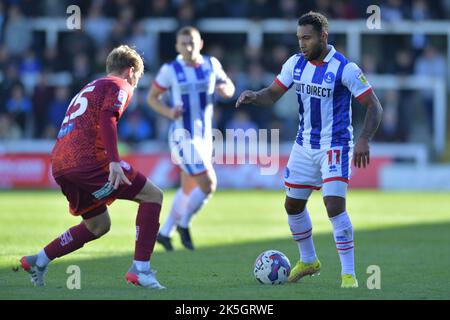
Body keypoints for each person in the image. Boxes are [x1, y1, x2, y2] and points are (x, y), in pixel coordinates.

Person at [236, 12, 383, 288]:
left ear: (323, 37)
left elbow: (374, 106)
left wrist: (364, 139)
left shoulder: (345, 68)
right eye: (299, 38)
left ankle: (348, 275)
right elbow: (272, 93)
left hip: (335, 146)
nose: (302, 44)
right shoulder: (295, 64)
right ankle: (309, 260)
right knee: (292, 205)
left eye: (307, 38)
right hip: (304, 145)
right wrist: (255, 96)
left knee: (334, 205)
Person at [20, 45, 165, 289]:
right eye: (137, 78)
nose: (136, 83)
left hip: (60, 163)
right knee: (153, 195)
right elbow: (108, 117)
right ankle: (141, 269)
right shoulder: (120, 85)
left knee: (98, 225)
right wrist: (114, 161)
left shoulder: (89, 88)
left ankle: (39, 260)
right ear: (130, 72)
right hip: (88, 160)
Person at [147, 26, 235, 251]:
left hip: (206, 137)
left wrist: (227, 89)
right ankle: (184, 224)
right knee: (208, 184)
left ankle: (165, 233)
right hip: (182, 136)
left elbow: (228, 85)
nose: (188, 47)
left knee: (188, 188)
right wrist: (169, 112)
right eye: (183, 43)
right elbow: (152, 98)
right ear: (177, 46)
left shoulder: (211, 64)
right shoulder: (170, 70)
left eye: (192, 42)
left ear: (200, 43)